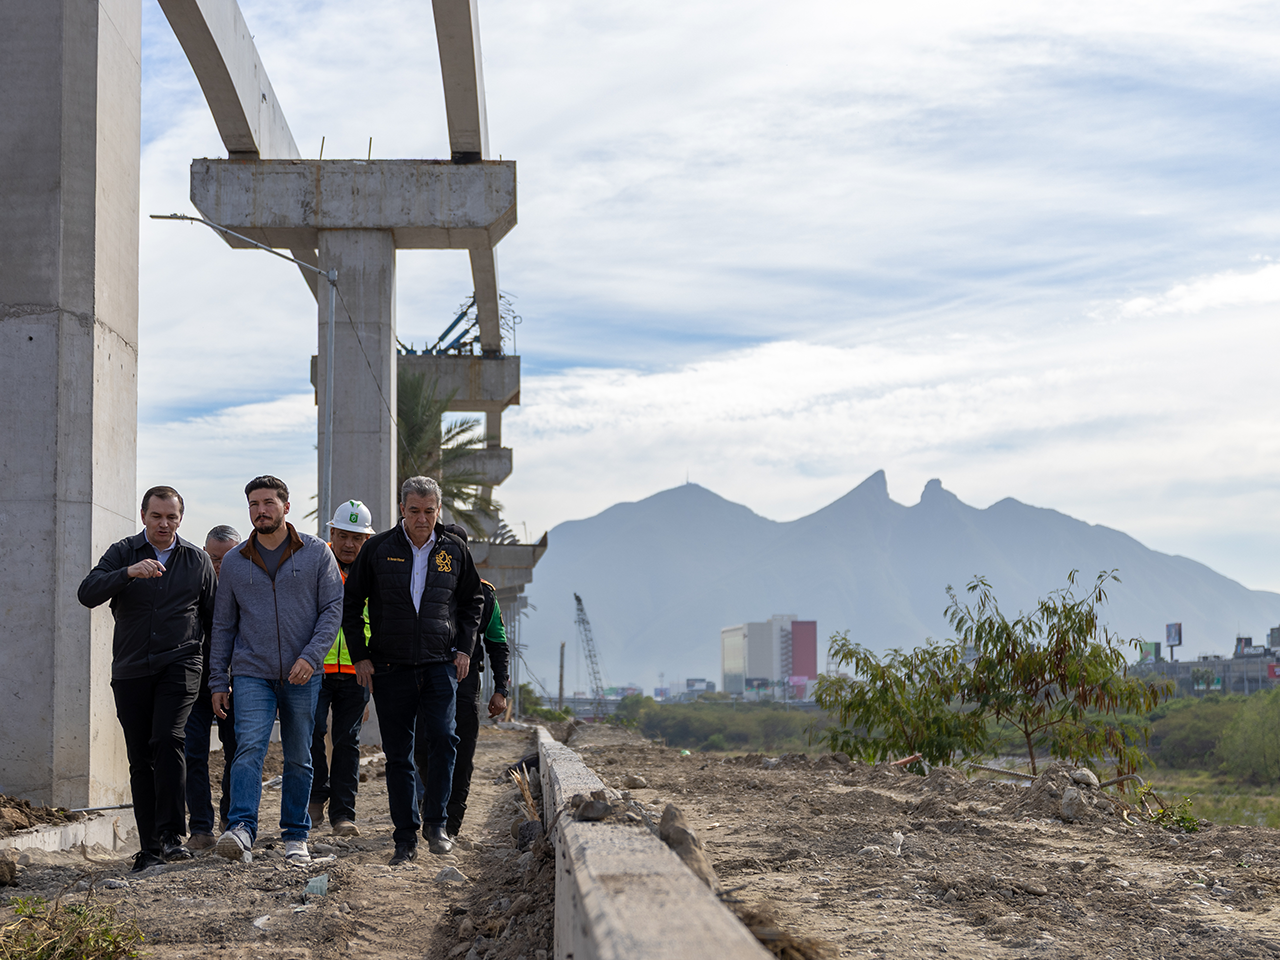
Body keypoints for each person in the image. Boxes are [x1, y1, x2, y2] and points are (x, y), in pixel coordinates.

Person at [343, 476, 483, 864]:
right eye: (414, 511)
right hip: (391, 666)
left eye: (429, 511)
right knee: (399, 754)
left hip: (440, 665)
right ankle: (404, 837)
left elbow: (474, 601)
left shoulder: (452, 549)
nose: (422, 519)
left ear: (439, 511)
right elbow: (350, 604)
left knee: (443, 738)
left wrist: (465, 648)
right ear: (402, 510)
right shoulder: (377, 549)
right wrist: (360, 655)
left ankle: (436, 823)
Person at [77, 485, 216, 871]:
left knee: (169, 739)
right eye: (157, 516)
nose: (164, 523)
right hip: (131, 669)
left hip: (182, 663)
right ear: (144, 516)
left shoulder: (196, 560)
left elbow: (214, 620)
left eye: (171, 517)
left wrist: (217, 675)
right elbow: (87, 593)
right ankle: (150, 847)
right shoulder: (124, 552)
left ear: (180, 519)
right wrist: (127, 573)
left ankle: (173, 837)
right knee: (141, 757)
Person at [209, 476, 343, 865]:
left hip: (304, 673)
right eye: (253, 504)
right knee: (249, 748)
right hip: (252, 672)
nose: (260, 510)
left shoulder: (318, 553)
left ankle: (295, 835)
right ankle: (242, 831)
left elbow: (332, 609)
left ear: (286, 506)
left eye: (268, 502)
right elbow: (223, 626)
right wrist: (219, 679)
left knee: (300, 755)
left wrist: (311, 657)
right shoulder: (234, 561)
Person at [421, 525, 509, 839]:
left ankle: (451, 823)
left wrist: (501, 690)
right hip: (423, 679)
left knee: (461, 752)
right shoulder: (422, 584)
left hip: (464, 684)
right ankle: (431, 807)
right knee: (422, 748)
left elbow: (497, 643)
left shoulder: (485, 593)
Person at [308, 500, 375, 837]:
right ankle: (316, 797)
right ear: (331, 533)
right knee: (311, 731)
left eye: (357, 538)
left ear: (367, 540)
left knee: (347, 741)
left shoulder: (374, 572)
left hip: (356, 672)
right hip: (315, 668)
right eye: (344, 536)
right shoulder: (315, 565)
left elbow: (379, 624)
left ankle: (343, 815)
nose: (350, 544)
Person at [184, 525, 242, 850]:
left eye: (227, 559)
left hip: (234, 684)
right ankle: (201, 828)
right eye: (214, 559)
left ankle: (230, 820)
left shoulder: (248, 588)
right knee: (193, 754)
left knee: (236, 752)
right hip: (195, 684)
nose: (219, 567)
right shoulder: (190, 588)